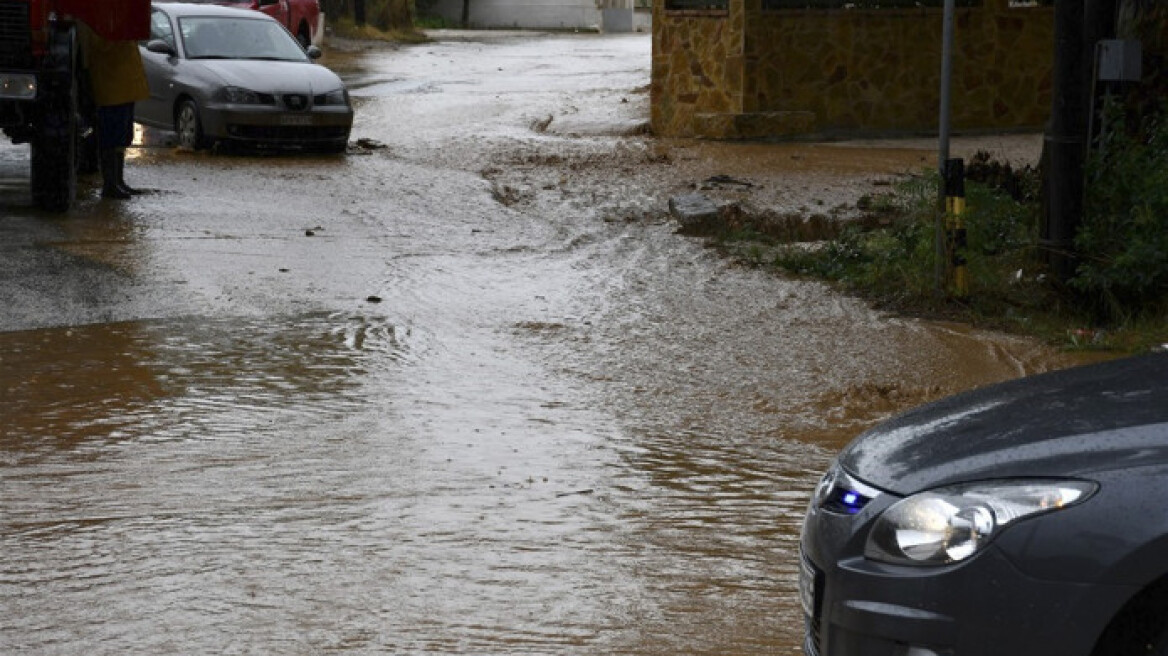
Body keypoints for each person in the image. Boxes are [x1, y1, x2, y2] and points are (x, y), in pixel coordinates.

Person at [79, 24, 150, 200]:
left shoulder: (119, 20)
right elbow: (98, 46)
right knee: (111, 138)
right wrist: (123, 33)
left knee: (122, 137)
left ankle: (118, 181)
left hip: (123, 87)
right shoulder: (99, 20)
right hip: (111, 88)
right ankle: (110, 184)